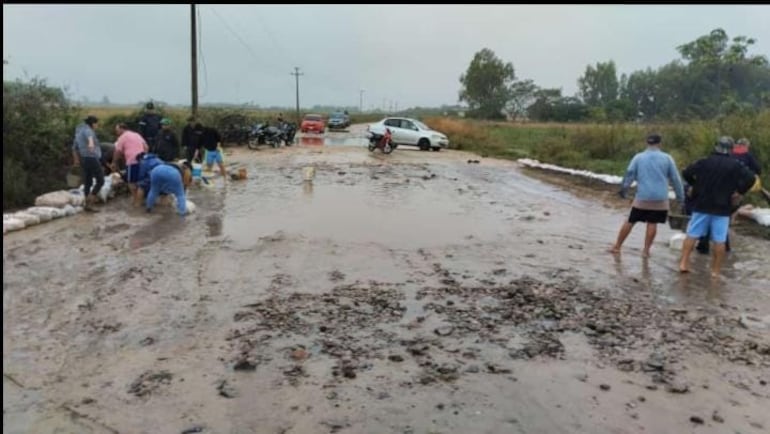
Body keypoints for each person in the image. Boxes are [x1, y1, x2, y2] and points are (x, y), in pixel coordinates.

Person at [678, 136, 757, 278]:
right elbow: (751, 178)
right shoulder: (735, 165)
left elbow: (686, 172)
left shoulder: (704, 161)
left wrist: (695, 186)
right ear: (731, 149)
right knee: (719, 240)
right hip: (722, 207)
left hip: (702, 204)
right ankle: (715, 271)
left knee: (692, 234)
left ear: (716, 147)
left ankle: (683, 263)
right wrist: (739, 191)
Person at [610, 133, 685, 257]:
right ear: (660, 143)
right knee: (652, 223)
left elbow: (630, 174)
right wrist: (680, 197)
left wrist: (623, 190)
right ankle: (645, 251)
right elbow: (676, 179)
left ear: (647, 143)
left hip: (642, 197)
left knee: (630, 220)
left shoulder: (638, 157)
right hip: (660, 198)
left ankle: (617, 246)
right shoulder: (667, 158)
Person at [72, 115, 104, 212]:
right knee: (101, 180)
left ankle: (87, 204)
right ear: (93, 124)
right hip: (91, 158)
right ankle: (90, 200)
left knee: (88, 181)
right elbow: (89, 137)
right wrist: (90, 144)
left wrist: (76, 160)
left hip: (84, 159)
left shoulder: (78, 132)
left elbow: (74, 148)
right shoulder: (88, 130)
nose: (97, 126)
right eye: (96, 124)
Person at [112, 123, 148, 205]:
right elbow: (146, 147)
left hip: (132, 162)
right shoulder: (136, 134)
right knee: (141, 182)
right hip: (143, 162)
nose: (116, 132)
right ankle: (141, 200)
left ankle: (136, 201)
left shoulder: (122, 137)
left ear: (122, 129)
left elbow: (117, 151)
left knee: (131, 182)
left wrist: (114, 162)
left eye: (117, 130)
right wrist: (143, 156)